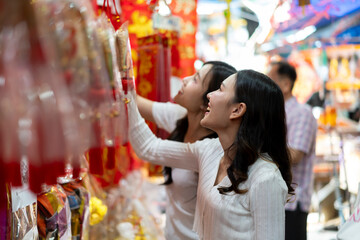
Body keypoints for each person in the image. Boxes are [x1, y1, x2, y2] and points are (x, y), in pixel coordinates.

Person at [127, 69, 294, 239]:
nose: (210, 95)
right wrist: (125, 91)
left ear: (237, 110)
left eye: (220, 90)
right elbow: (149, 147)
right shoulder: (210, 149)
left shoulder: (266, 178)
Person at [136, 61, 236, 240]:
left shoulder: (211, 151)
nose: (184, 80)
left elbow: (147, 147)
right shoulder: (181, 118)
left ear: (208, 101)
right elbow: (136, 103)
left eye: (195, 80)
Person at [267, 61, 317, 240]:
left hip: (291, 202)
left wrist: (258, 150)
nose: (264, 87)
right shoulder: (274, 113)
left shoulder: (301, 113)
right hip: (272, 199)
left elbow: (294, 155)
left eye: (269, 81)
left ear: (286, 84)